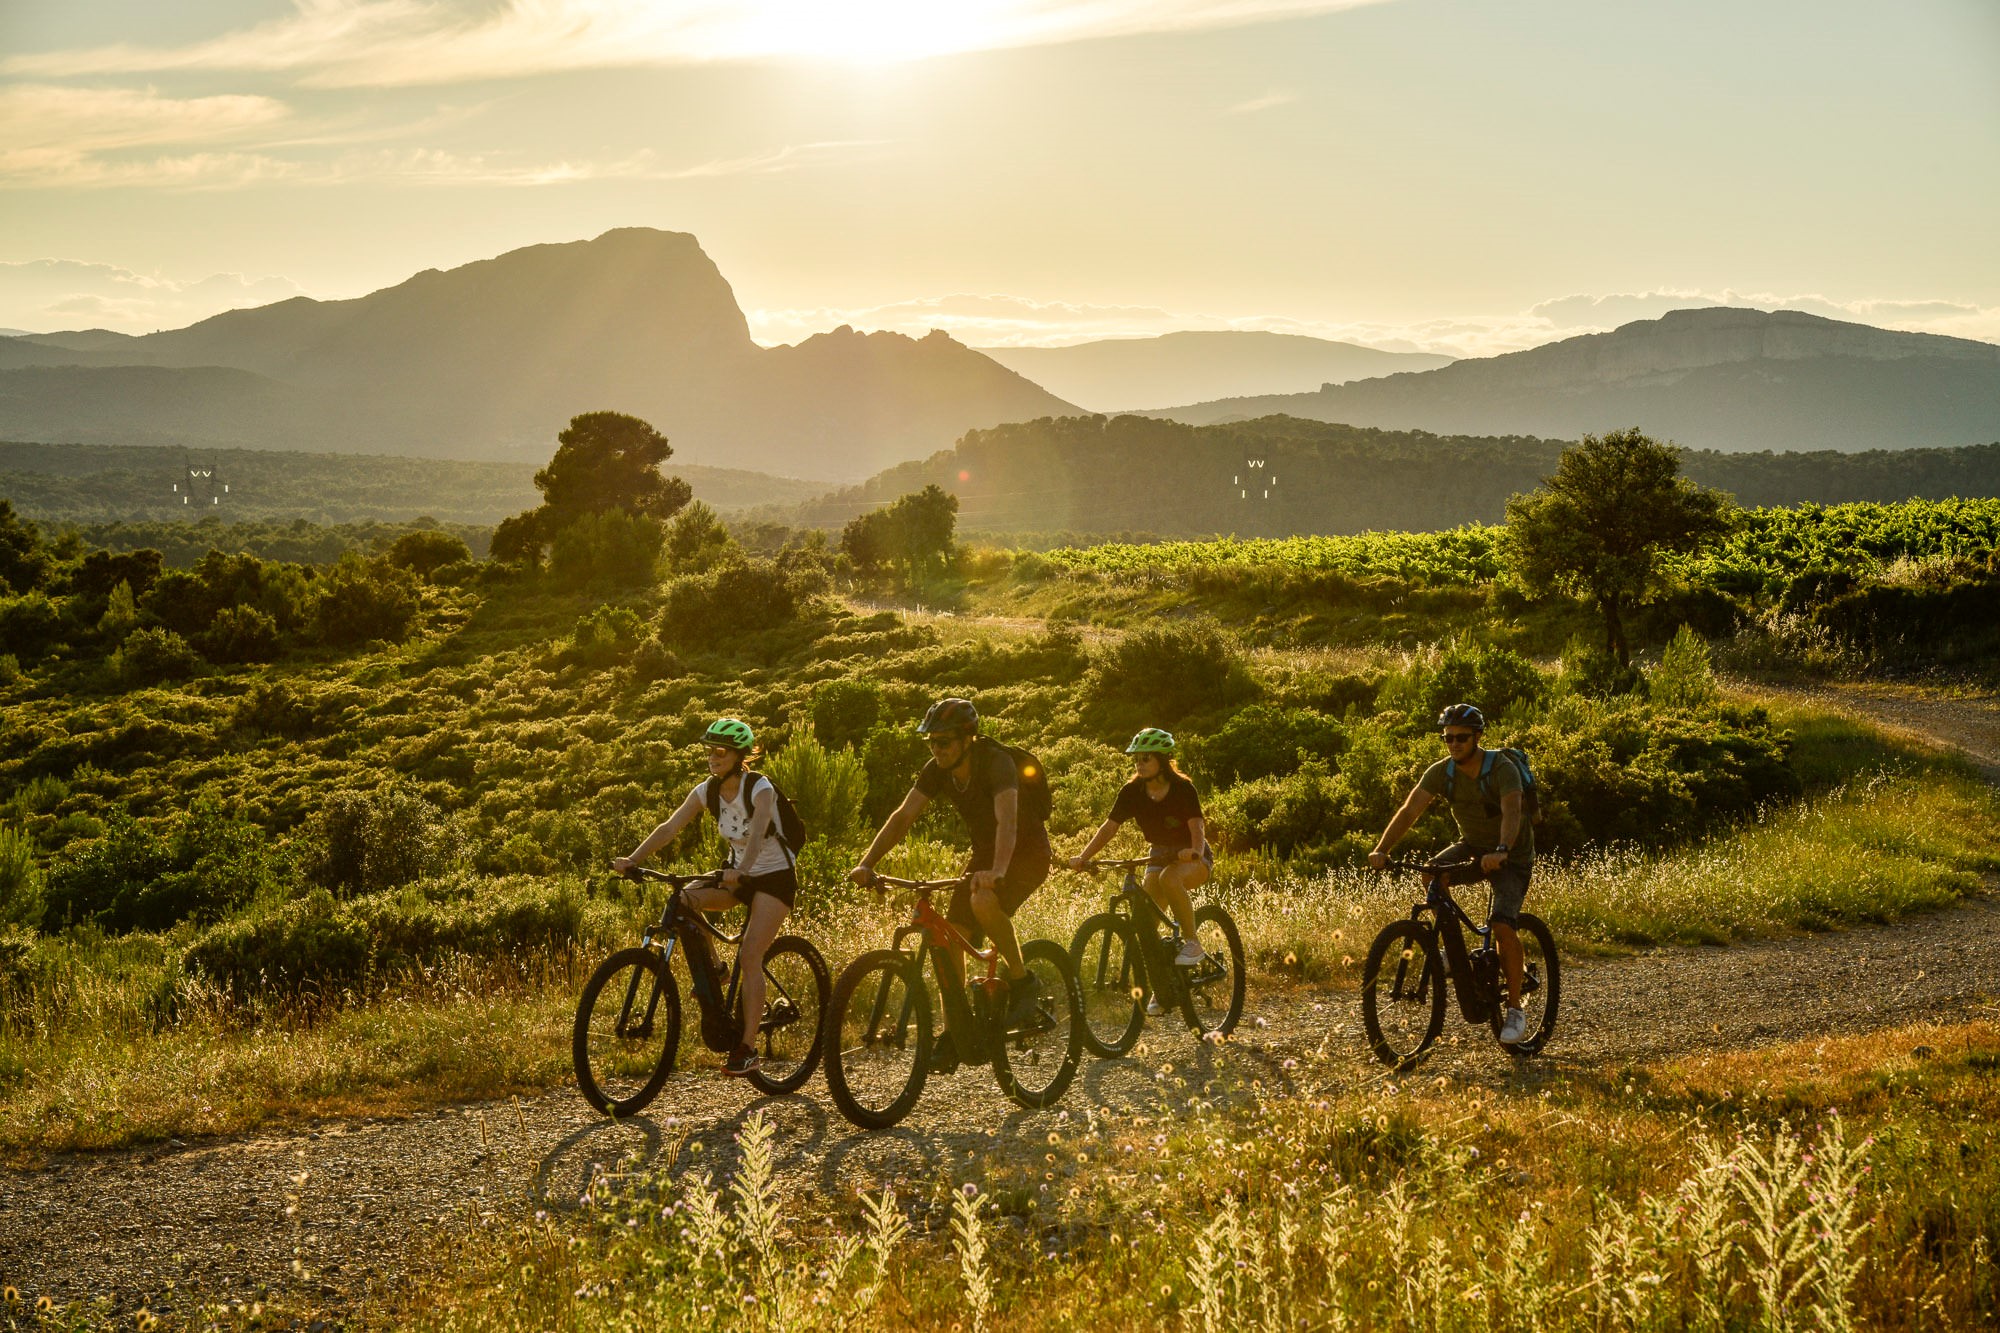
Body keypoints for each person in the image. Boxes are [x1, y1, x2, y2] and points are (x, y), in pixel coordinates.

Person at [847, 697, 1051, 1069]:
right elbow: (902, 816)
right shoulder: (937, 769)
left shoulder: (997, 762)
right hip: (985, 855)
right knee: (950, 933)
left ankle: (1023, 981)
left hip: (1026, 852)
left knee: (983, 903)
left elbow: (1009, 821)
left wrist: (998, 872)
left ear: (967, 738)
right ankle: (957, 1029)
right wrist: (866, 862)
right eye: (932, 742)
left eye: (944, 742)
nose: (936, 749)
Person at [612, 717, 798, 1077]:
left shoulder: (759, 788)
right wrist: (634, 859)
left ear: (738, 754)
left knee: (750, 955)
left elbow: (759, 831)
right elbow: (670, 827)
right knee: (682, 900)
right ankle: (716, 970)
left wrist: (744, 866)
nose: (712, 757)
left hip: (773, 878)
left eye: (720, 751)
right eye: (708, 750)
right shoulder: (707, 791)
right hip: (736, 875)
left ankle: (747, 1048)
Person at [1368, 703, 1536, 1043]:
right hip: (1473, 846)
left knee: (1503, 925)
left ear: (1477, 737)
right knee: (1432, 875)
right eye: (1448, 738)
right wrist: (1382, 849)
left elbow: (1512, 810)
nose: (1454, 744)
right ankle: (1451, 954)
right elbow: (1410, 809)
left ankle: (1516, 1010)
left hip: (1512, 855)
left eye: (1461, 738)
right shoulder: (1442, 772)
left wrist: (1502, 850)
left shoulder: (1501, 769)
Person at [1070, 728, 1211, 1012]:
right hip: (1159, 853)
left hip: (1192, 855)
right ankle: (1162, 986)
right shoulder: (1132, 791)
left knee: (1169, 878)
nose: (1139, 763)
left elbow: (1197, 825)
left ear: (1162, 759)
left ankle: (1193, 942)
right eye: (1136, 759)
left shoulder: (1183, 788)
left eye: (1145, 758)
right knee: (1146, 923)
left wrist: (1194, 851)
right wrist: (1084, 857)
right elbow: (1109, 828)